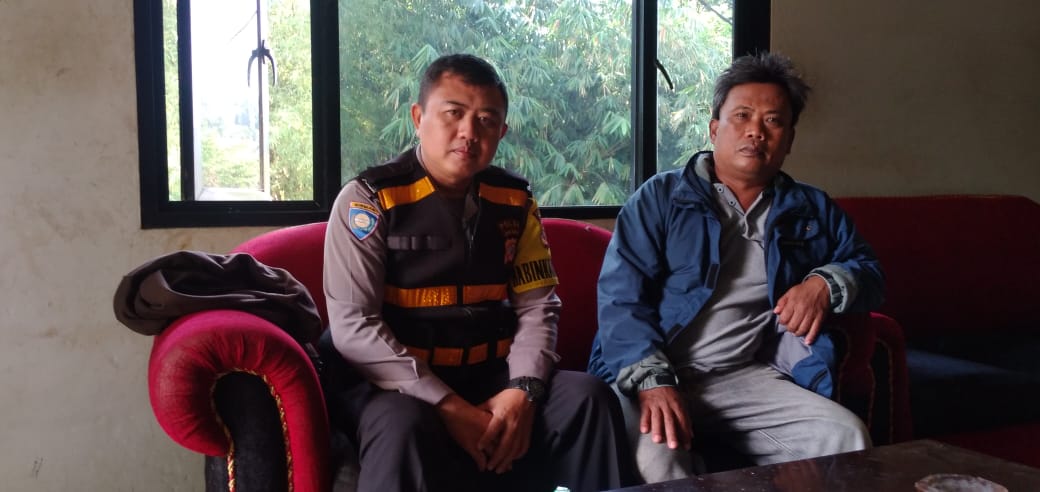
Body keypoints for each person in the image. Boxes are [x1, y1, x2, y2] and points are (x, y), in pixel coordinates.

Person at [321, 53, 635, 492]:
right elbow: (354, 327)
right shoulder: (370, 199)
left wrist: (522, 392)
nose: (469, 132)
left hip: (488, 372)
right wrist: (448, 406)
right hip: (392, 385)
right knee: (401, 425)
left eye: (487, 120)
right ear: (418, 117)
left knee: (588, 398)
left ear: (501, 132)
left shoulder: (515, 201)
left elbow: (538, 307)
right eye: (453, 113)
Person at [588, 52, 885, 482]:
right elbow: (620, 300)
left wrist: (824, 284)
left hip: (743, 375)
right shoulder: (660, 198)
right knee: (660, 464)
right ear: (715, 129)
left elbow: (870, 271)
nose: (755, 131)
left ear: (789, 139)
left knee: (846, 437)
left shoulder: (810, 208)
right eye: (742, 116)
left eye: (773, 121)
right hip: (653, 371)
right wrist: (653, 382)